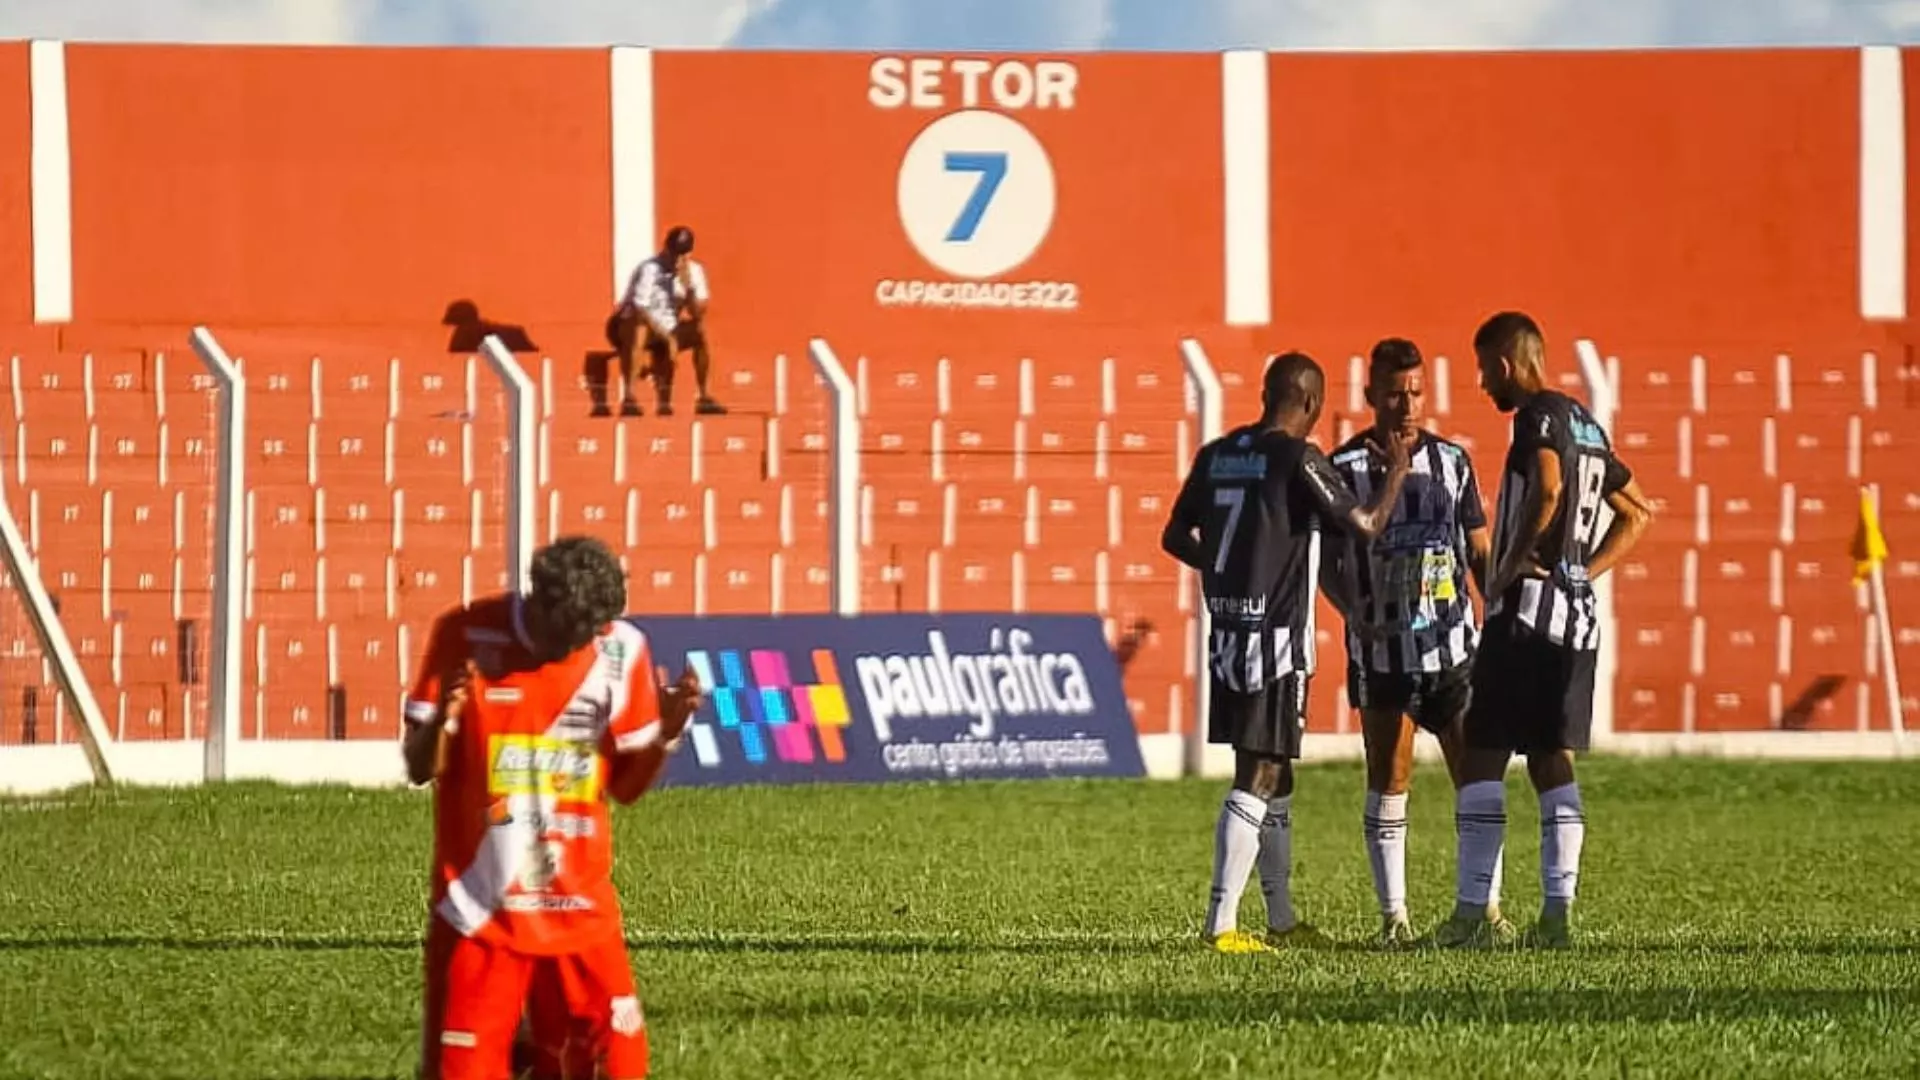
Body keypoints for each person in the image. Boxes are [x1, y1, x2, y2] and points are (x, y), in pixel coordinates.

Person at [404, 536, 703, 1079]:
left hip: (581, 914)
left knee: (617, 1067)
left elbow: (627, 790)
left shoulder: (622, 650)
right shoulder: (464, 635)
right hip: (481, 915)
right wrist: (445, 717)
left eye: (586, 635)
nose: (573, 647)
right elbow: (418, 767)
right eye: (562, 633)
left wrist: (668, 730)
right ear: (535, 602)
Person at [1161, 351, 1415, 955]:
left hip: (1227, 633)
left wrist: (1225, 573)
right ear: (1309, 404)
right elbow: (1365, 523)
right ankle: (1220, 928)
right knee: (1261, 773)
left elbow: (1175, 535)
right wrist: (1397, 471)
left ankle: (1280, 920)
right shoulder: (1298, 457)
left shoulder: (1219, 453)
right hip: (1274, 641)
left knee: (1278, 773)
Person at [1434, 312, 1653, 950]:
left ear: (1505, 363)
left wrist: (1510, 564)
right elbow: (1638, 511)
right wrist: (1583, 571)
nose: (1482, 384)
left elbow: (1551, 488)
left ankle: (1473, 917)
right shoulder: (1587, 420)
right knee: (1552, 759)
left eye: (1483, 368)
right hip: (1575, 619)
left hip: (1528, 617)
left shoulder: (1537, 417)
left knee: (1482, 753)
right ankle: (1556, 917)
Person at [1322, 337, 1496, 948]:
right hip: (1381, 653)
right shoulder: (1341, 468)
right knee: (1389, 777)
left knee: (1475, 776)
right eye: (1395, 393)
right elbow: (1328, 565)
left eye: (1417, 392)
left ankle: (1485, 911)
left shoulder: (1454, 463)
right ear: (1370, 395)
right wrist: (1352, 612)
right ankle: (1394, 920)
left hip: (1452, 648)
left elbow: (1477, 547)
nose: (1407, 405)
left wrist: (1495, 607)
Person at [604, 225, 726, 417]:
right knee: (640, 328)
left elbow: (698, 313)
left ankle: (704, 396)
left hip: (670, 326)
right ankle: (629, 396)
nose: (677, 260)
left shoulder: (695, 271)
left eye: (682, 255)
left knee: (701, 331)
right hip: (637, 324)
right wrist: (668, 339)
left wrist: (689, 289)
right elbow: (639, 309)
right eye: (673, 254)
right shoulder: (649, 269)